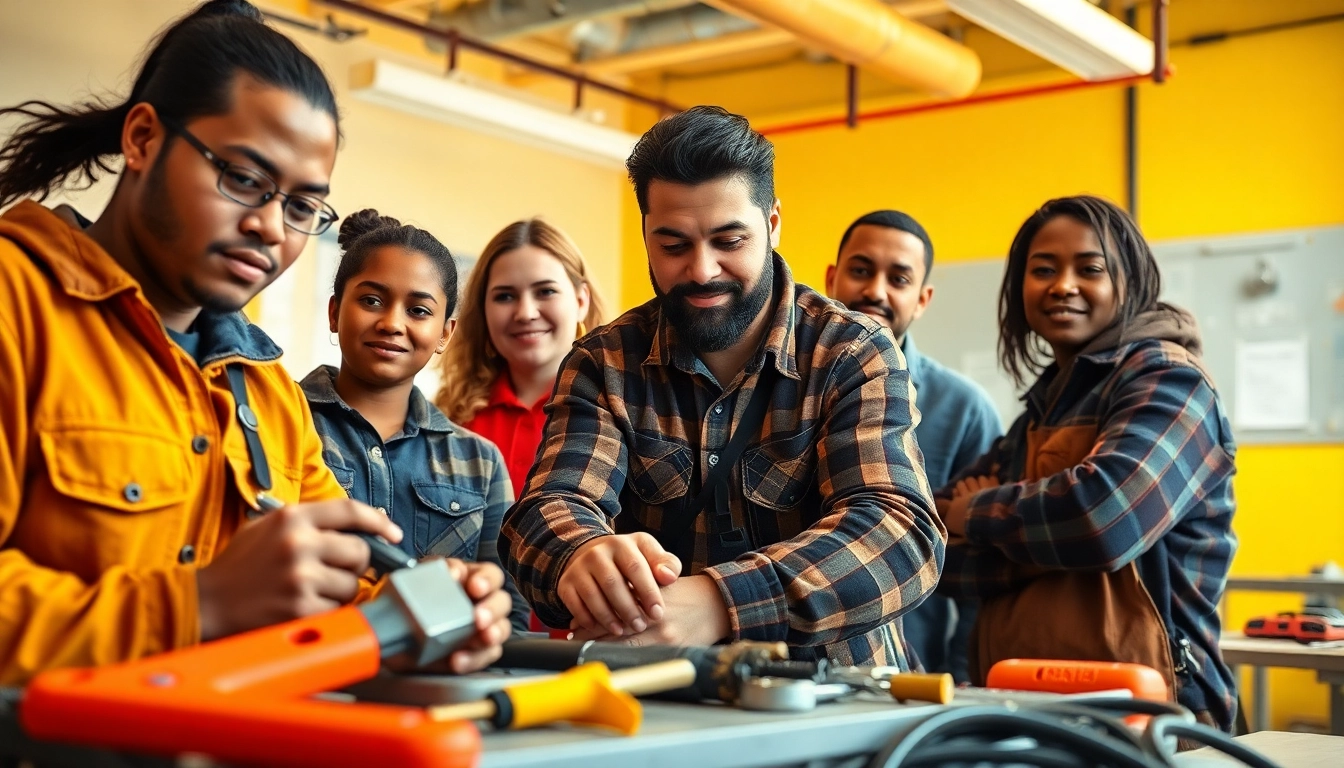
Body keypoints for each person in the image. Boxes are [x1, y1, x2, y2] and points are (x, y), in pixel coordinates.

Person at [0, 0, 510, 684]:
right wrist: (199, 603)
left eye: (301, 207)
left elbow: (351, 589)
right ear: (144, 140)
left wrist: (420, 619)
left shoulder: (266, 392)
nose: (272, 227)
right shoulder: (16, 306)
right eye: (243, 180)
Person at [500, 106, 944, 666]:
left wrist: (715, 603)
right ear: (644, 235)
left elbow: (900, 536)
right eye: (674, 245)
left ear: (773, 223)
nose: (703, 269)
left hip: (838, 700)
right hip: (670, 708)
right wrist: (582, 555)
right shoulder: (604, 362)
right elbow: (545, 511)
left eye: (729, 240)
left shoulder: (851, 350)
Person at [936, 195, 1238, 731]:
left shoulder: (1171, 381)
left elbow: (1103, 520)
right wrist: (1044, 551)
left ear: (1130, 280)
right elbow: (937, 552)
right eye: (1043, 269)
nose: (1063, 285)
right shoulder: (1040, 409)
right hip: (1026, 704)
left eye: (1089, 268)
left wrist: (975, 513)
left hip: (1157, 716)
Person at [302, 208, 529, 631]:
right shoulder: (284, 421)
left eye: (419, 311)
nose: (391, 323)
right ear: (334, 312)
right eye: (371, 301)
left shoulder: (479, 461)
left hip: (440, 684)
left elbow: (508, 614)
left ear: (445, 332)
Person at [825, 209, 1001, 681]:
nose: (876, 291)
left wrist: (966, 686)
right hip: (786, 671)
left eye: (897, 278)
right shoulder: (782, 389)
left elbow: (978, 577)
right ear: (831, 276)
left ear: (922, 299)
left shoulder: (965, 409)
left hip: (912, 678)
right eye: (861, 270)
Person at [436, 218, 604, 500]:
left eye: (545, 291)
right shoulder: (449, 416)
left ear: (580, 301)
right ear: (483, 310)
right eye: (504, 296)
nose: (525, 313)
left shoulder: (616, 407)